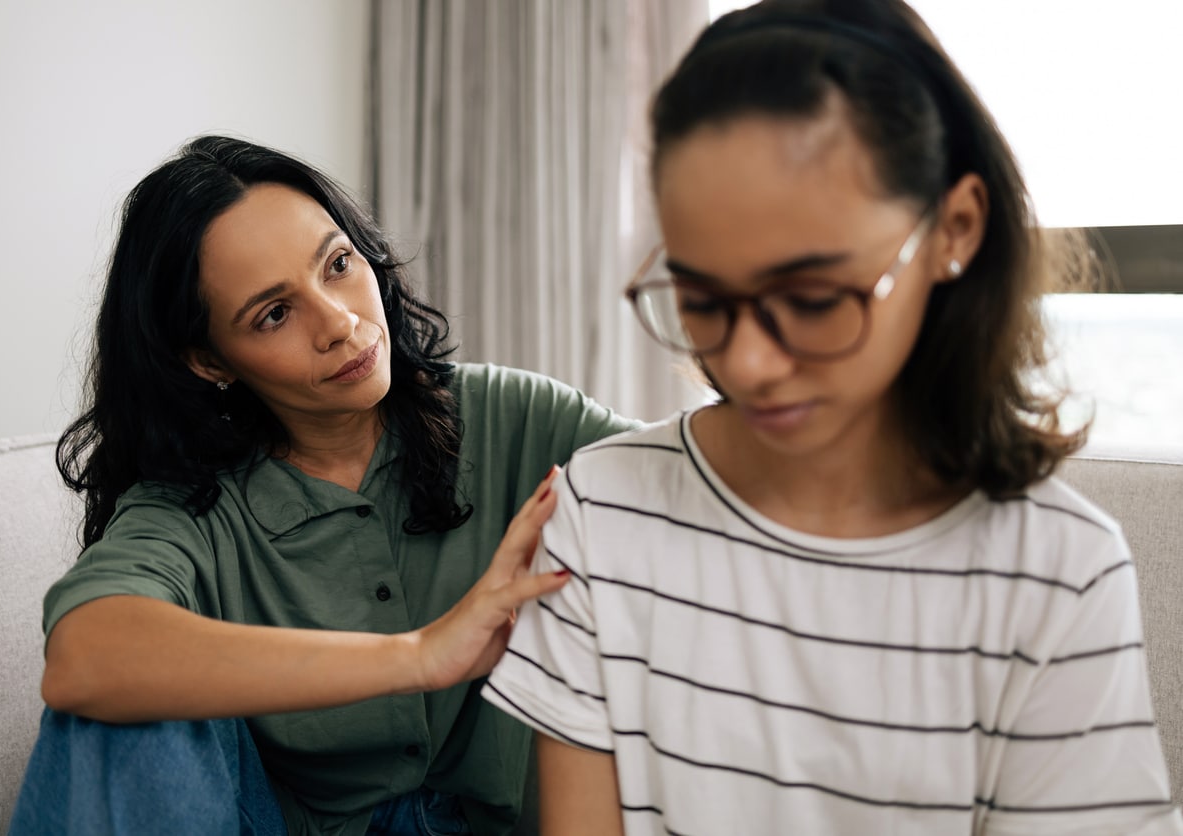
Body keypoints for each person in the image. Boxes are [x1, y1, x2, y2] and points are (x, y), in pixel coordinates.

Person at [483, 1, 1183, 833]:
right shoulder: (601, 512)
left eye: (812, 298)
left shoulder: (1057, 574)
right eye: (703, 299)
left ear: (954, 230)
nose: (746, 363)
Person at [6, 135, 638, 836]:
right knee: (118, 711)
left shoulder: (514, 419)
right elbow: (83, 660)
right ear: (209, 360)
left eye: (338, 265)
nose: (340, 323)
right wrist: (422, 656)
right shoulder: (190, 507)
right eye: (274, 313)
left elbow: (701, 483)